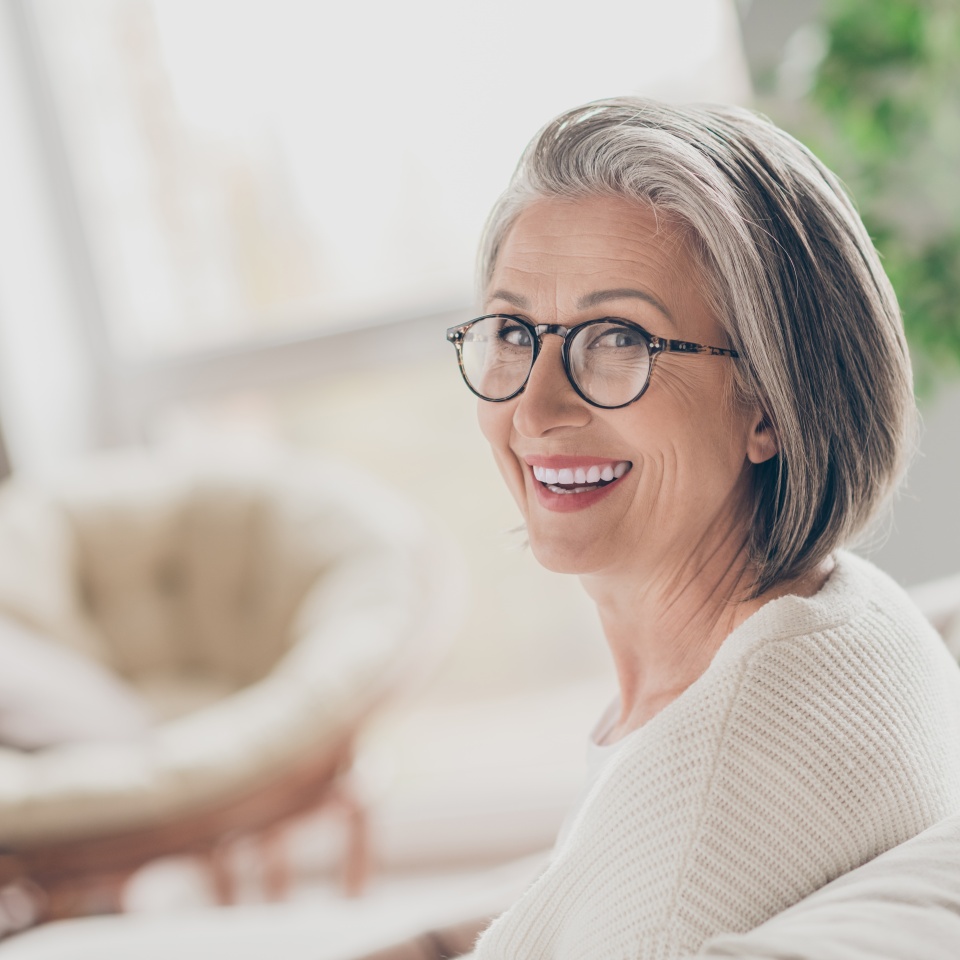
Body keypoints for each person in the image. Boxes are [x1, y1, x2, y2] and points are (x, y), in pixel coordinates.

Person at [368, 97, 960, 959]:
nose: (534, 407)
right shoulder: (838, 615)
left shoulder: (690, 853)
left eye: (616, 338)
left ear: (769, 402)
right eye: (511, 331)